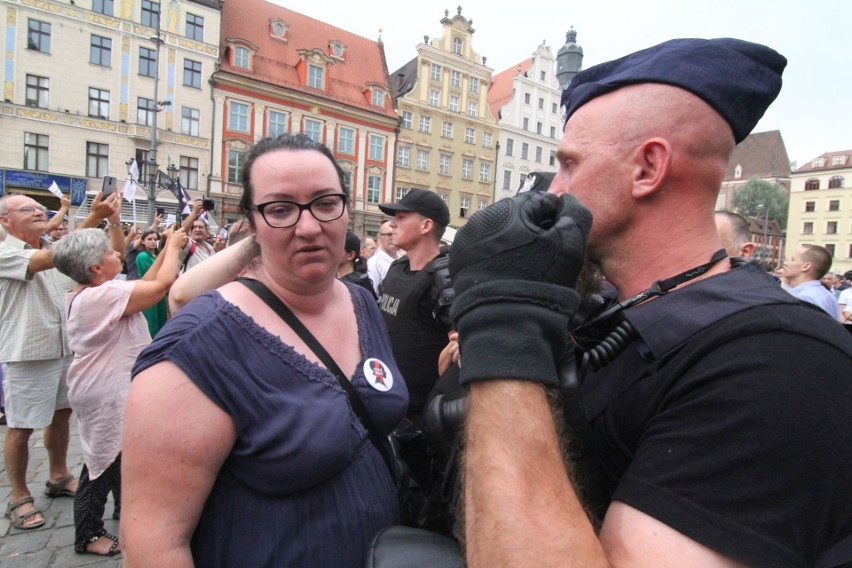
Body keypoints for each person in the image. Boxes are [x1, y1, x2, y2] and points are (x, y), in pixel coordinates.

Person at [448, 38, 852, 566]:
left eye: (570, 165)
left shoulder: (778, 360)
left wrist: (502, 331)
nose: (554, 191)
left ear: (648, 168)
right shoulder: (611, 306)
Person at [120, 133, 408, 567]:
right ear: (252, 225)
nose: (309, 226)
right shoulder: (198, 347)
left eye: (326, 203)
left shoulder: (361, 302)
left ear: (346, 210)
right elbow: (152, 544)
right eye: (280, 209)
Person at [51, 227, 186, 556]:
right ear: (96, 269)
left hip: (105, 387)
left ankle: (124, 511)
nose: (117, 254)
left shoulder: (97, 290)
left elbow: (145, 282)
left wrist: (168, 248)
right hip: (104, 390)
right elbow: (161, 286)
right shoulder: (100, 296)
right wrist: (172, 247)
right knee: (101, 462)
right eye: (110, 254)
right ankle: (87, 533)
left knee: (120, 453)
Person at [0, 191, 122, 531]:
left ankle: (57, 475)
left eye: (41, 208)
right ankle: (19, 495)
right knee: (21, 426)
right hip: (28, 350)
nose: (39, 212)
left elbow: (65, 258)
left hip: (64, 348)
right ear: (5, 221)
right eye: (28, 209)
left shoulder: (49, 248)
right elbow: (50, 260)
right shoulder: (7, 250)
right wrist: (94, 219)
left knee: (61, 415)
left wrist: (96, 221)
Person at [783, 244, 841, 318]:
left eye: (792, 259)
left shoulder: (804, 297)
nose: (786, 263)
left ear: (806, 266)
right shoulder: (827, 294)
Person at [135, 229, 170, 337]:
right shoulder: (142, 256)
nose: (153, 241)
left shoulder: (156, 256)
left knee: (161, 321)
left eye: (155, 239)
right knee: (152, 323)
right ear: (143, 241)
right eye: (149, 239)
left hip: (159, 292)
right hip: (148, 292)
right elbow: (149, 276)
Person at [338, 231, 377, 300]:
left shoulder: (358, 284)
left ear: (350, 255)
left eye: (337, 248)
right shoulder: (331, 278)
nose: (330, 251)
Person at [366, 221, 402, 295]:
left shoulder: (403, 259)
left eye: (396, 234)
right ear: (379, 237)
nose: (393, 237)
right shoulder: (374, 263)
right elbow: (371, 294)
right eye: (389, 234)